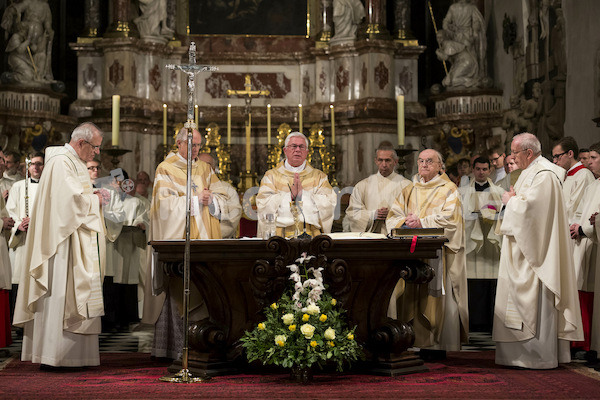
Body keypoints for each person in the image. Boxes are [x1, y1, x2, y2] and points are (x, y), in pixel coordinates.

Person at [13, 122, 107, 368]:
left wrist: (93, 198)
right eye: (95, 147)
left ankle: (76, 356)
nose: (96, 152)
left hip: (74, 238)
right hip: (61, 245)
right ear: (81, 143)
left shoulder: (72, 161)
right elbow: (70, 202)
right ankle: (56, 355)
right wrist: (96, 199)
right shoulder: (61, 161)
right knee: (60, 295)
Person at [493, 132, 582, 369]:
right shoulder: (529, 173)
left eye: (514, 152)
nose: (511, 157)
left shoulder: (544, 176)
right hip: (523, 250)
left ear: (528, 153)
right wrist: (512, 200)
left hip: (537, 256)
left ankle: (536, 356)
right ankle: (519, 355)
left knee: (536, 303)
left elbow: (533, 214)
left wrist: (509, 201)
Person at [142, 127, 228, 360]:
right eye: (191, 145)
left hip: (204, 240)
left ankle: (204, 347)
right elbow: (162, 206)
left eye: (199, 145)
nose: (196, 150)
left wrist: (213, 202)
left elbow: (223, 196)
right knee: (180, 291)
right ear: (179, 143)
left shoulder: (205, 168)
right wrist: (193, 200)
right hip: (180, 241)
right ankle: (177, 349)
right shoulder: (165, 168)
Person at [387, 149, 469, 356]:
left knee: (435, 296)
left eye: (429, 161)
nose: (424, 164)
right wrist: (405, 221)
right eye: (421, 161)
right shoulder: (408, 189)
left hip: (437, 253)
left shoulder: (449, 189)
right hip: (411, 252)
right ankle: (411, 340)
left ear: (440, 166)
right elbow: (393, 215)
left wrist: (422, 222)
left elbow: (451, 219)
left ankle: (437, 343)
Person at [256, 132, 337, 238]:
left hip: (311, 236)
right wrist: (290, 197)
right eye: (293, 146)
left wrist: (303, 196)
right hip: (279, 236)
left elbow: (329, 204)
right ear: (285, 150)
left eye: (301, 147)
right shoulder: (271, 176)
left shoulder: (319, 177)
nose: (298, 150)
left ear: (307, 152)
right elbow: (263, 205)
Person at [459, 157, 504, 333]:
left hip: (490, 242)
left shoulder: (499, 192)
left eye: (484, 169)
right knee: (472, 283)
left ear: (489, 170)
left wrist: (490, 213)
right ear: (472, 169)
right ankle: (473, 322)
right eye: (478, 169)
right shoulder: (461, 192)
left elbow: (503, 212)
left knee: (490, 282)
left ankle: (489, 322)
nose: (481, 172)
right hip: (470, 240)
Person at [569, 142, 600, 358]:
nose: (589, 162)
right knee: (583, 290)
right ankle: (586, 343)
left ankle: (591, 346)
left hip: (596, 244)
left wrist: (586, 228)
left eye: (594, 158)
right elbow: (581, 212)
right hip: (585, 241)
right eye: (588, 158)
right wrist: (577, 227)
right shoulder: (593, 186)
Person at [5, 152, 44, 321]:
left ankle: (40, 318)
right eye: (33, 164)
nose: (36, 167)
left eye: (40, 164)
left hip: (42, 242)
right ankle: (19, 320)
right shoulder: (18, 187)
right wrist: (19, 227)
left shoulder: (49, 187)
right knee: (21, 279)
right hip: (22, 241)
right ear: (27, 167)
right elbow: (10, 213)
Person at [345, 143, 411, 234]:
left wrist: (393, 216)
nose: (384, 164)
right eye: (380, 160)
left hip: (397, 238)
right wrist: (372, 215)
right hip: (371, 238)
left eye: (388, 160)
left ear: (395, 161)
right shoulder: (362, 186)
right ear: (376, 161)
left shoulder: (407, 185)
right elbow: (353, 213)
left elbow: (414, 213)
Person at [441, 0, 487, 87]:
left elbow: (445, 24)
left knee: (465, 57)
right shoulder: (472, 8)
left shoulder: (453, 8)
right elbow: (476, 24)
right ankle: (471, 79)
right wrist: (474, 34)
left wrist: (450, 30)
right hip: (467, 37)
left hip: (458, 37)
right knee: (467, 55)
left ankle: (470, 78)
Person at [552, 137, 595, 225]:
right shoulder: (565, 175)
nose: (555, 161)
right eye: (554, 157)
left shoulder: (583, 175)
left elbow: (574, 208)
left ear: (570, 154)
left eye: (557, 156)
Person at [198, 153, 242, 238]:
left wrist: (211, 234)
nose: (203, 168)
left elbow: (234, 216)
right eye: (199, 164)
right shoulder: (187, 188)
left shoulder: (227, 189)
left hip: (220, 242)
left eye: (207, 165)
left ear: (214, 169)